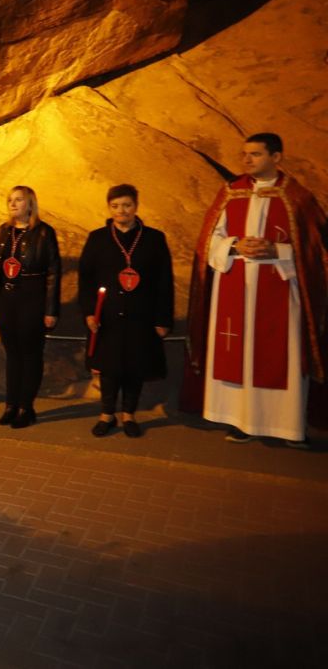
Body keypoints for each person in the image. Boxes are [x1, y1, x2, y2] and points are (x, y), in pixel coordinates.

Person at [184, 133, 327, 446]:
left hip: (279, 287)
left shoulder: (298, 198)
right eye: (244, 154)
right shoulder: (230, 192)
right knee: (237, 352)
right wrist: (235, 244)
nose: (246, 160)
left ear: (276, 158)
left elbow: (316, 253)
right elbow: (211, 240)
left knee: (278, 355)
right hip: (233, 285)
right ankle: (240, 421)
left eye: (255, 154)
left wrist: (277, 251)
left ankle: (287, 426)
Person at [78, 185, 174, 438]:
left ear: (136, 206)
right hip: (107, 316)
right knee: (108, 367)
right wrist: (89, 313)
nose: (122, 211)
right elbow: (85, 279)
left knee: (135, 367)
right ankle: (106, 414)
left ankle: (129, 414)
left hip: (141, 315)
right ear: (109, 208)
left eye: (127, 205)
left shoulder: (154, 238)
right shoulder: (98, 238)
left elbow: (165, 281)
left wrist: (163, 319)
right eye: (116, 206)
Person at [0, 186, 61, 428]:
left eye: (19, 200)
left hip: (32, 298)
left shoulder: (44, 233)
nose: (13, 204)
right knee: (12, 355)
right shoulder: (4, 231)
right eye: (10, 200)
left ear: (30, 204)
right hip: (7, 299)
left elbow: (54, 273)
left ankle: (27, 407)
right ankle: (11, 405)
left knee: (30, 354)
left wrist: (50, 310)